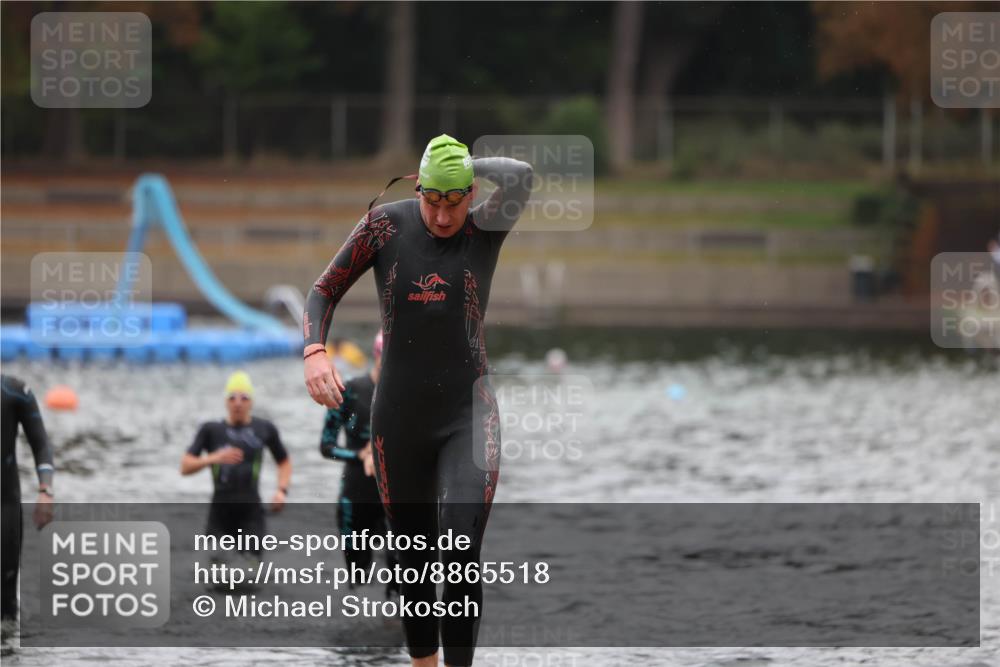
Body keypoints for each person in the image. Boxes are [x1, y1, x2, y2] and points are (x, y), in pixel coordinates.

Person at [303, 134, 533, 667]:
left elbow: (521, 175)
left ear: (471, 194)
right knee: (412, 559)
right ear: (418, 189)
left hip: (467, 416)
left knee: (460, 551)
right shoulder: (385, 226)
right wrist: (314, 351)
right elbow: (322, 291)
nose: (443, 216)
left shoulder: (486, 227)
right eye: (432, 201)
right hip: (399, 420)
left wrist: (462, 163)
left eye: (455, 201)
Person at [320, 330, 398, 595]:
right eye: (387, 356)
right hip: (355, 496)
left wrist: (384, 456)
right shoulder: (351, 390)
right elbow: (327, 447)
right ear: (376, 355)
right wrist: (360, 456)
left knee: (401, 573)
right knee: (358, 580)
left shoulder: (409, 397)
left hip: (396, 495)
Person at [181, 371, 291, 559]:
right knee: (215, 565)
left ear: (251, 402)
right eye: (232, 398)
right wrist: (213, 458)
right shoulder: (211, 430)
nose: (238, 403)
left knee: (251, 568)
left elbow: (284, 462)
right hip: (220, 511)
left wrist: (281, 491)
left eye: (244, 398)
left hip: (251, 511)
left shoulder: (264, 429)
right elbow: (185, 466)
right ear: (226, 401)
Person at [1, 375, 55, 655]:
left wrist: (45, 491)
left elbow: (41, 443)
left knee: (5, 605)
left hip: (4, 508)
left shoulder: (14, 392)